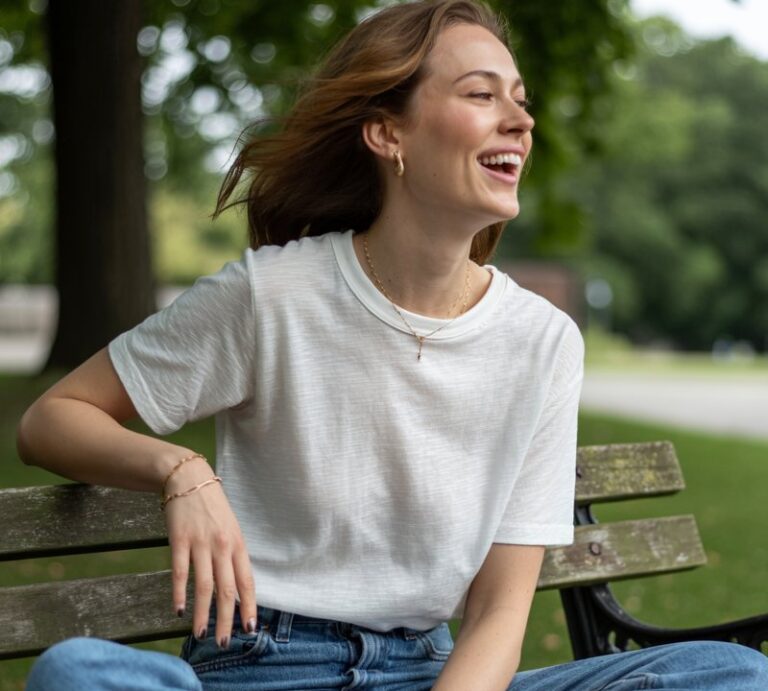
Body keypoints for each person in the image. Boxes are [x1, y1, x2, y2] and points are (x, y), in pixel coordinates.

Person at [18, 1, 768, 689]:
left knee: (730, 673)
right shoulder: (271, 295)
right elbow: (53, 417)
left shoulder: (542, 342)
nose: (520, 120)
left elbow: (501, 614)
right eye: (482, 95)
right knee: (79, 670)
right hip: (264, 666)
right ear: (387, 133)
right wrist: (179, 468)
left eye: (521, 100)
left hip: (432, 672)